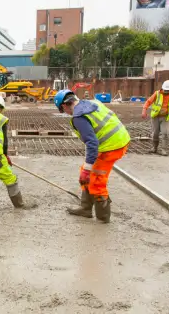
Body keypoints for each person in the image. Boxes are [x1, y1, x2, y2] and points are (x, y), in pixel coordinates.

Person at [54, 90, 130, 223]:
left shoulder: (79, 117)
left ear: (64, 105)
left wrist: (87, 170)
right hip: (118, 139)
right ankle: (86, 208)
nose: (65, 113)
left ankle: (103, 217)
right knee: (86, 172)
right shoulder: (92, 102)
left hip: (111, 146)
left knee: (96, 180)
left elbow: (92, 143)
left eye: (62, 110)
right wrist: (86, 169)